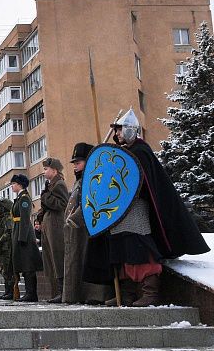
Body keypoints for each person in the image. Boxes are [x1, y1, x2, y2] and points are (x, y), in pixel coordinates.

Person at [88, 109, 210, 306]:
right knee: (120, 250)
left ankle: (149, 293)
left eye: (119, 130)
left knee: (141, 248)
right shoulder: (124, 153)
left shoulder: (140, 151)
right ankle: (126, 293)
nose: (117, 134)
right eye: (116, 131)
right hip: (118, 211)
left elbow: (142, 184)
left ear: (130, 130)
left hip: (136, 210)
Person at [63, 143, 112, 305]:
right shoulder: (80, 180)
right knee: (76, 262)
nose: (75, 166)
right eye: (74, 163)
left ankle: (94, 295)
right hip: (77, 229)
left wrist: (74, 218)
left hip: (89, 227)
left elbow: (91, 202)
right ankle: (74, 294)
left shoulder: (94, 178)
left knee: (88, 260)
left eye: (78, 162)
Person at [37, 157, 69, 303]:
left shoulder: (59, 184)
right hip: (49, 225)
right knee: (50, 259)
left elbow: (63, 204)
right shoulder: (51, 185)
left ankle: (62, 292)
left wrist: (45, 197)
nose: (44, 172)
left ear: (54, 170)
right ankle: (57, 291)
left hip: (56, 225)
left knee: (57, 258)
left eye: (46, 169)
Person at [10, 174, 42, 302]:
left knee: (28, 263)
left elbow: (24, 219)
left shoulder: (24, 199)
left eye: (13, 184)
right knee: (23, 263)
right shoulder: (19, 198)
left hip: (25, 233)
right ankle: (28, 292)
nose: (12, 186)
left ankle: (31, 293)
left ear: (20, 184)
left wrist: (22, 237)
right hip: (18, 231)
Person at [0, 199, 15, 300]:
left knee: (8, 271)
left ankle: (10, 291)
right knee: (4, 271)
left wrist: (0, 242)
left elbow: (8, 232)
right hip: (2, 248)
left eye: (0, 206)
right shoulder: (0, 219)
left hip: (6, 248)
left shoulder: (7, 218)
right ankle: (7, 291)